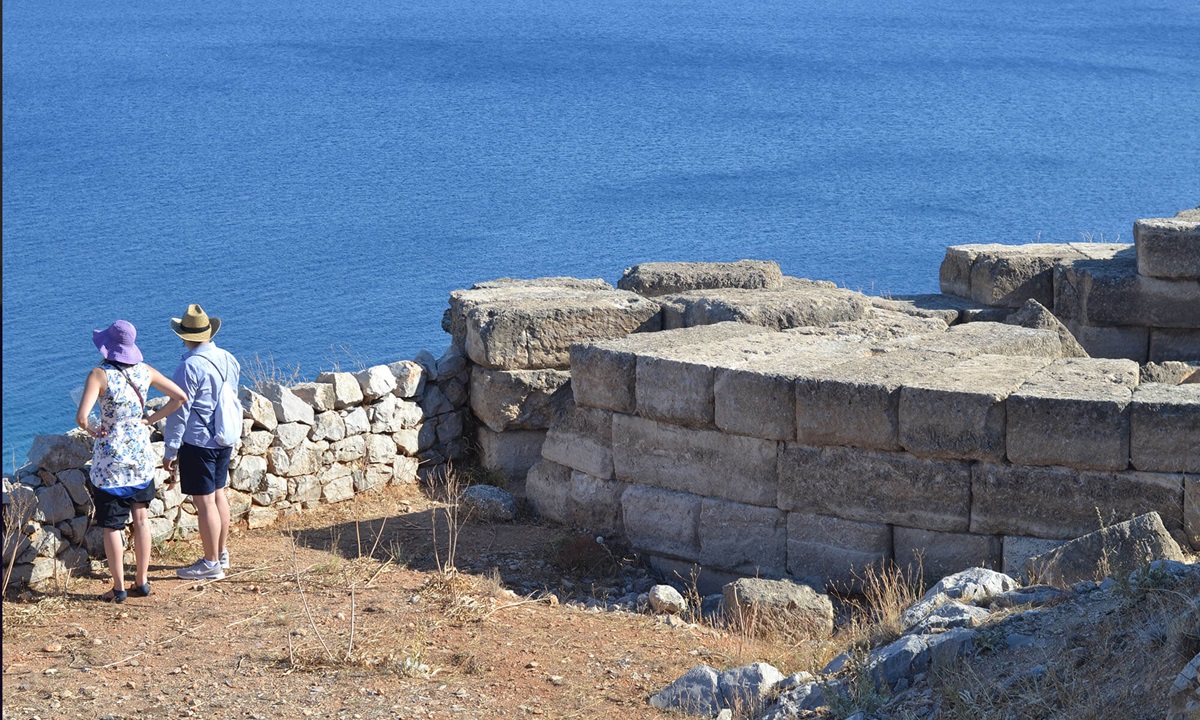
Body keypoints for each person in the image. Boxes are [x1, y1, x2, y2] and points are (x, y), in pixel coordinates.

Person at [77, 320, 187, 603]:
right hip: (140, 457)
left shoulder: (99, 375)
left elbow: (81, 417)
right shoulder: (145, 371)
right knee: (141, 519)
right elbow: (179, 397)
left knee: (112, 525)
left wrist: (92, 429)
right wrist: (150, 419)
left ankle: (118, 587)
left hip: (110, 462)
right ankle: (142, 580)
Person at [162, 304, 241, 581]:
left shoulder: (189, 366)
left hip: (198, 441)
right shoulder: (229, 358)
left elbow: (179, 409)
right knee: (219, 495)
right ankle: (220, 554)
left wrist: (170, 449)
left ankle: (210, 564)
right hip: (224, 435)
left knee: (204, 501)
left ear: (184, 336)